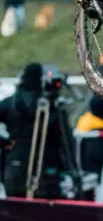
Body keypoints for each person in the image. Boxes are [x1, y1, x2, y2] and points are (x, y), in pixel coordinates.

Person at [0, 63, 66, 199]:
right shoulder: (50, 104)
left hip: (15, 161)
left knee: (16, 205)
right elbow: (60, 138)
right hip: (44, 162)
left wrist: (5, 143)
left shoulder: (8, 103)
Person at [75, 95, 103, 200]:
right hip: (94, 185)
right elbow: (98, 162)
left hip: (82, 179)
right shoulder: (99, 134)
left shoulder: (83, 123)